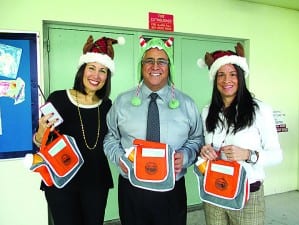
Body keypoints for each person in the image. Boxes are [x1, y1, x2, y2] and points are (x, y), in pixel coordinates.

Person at [103, 36, 204, 225]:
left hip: (171, 190)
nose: (155, 66)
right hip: (132, 188)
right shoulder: (122, 102)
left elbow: (197, 139)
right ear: (141, 66)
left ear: (169, 66)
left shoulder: (187, 104)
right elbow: (110, 137)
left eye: (161, 61)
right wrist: (119, 158)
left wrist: (186, 156)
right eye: (149, 61)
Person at [32, 35, 124, 225]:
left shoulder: (107, 105)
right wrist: (41, 131)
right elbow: (39, 143)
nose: (96, 76)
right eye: (91, 68)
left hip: (96, 181)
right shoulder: (58, 99)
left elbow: (115, 138)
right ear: (82, 70)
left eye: (103, 71)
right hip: (61, 180)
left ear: (108, 76)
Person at [197, 43, 283, 225]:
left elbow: (277, 155)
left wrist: (248, 155)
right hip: (214, 190)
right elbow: (204, 148)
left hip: (248, 194)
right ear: (214, 79)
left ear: (241, 77)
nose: (226, 80)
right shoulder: (207, 112)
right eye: (220, 74)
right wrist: (204, 152)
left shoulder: (260, 110)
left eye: (233, 74)